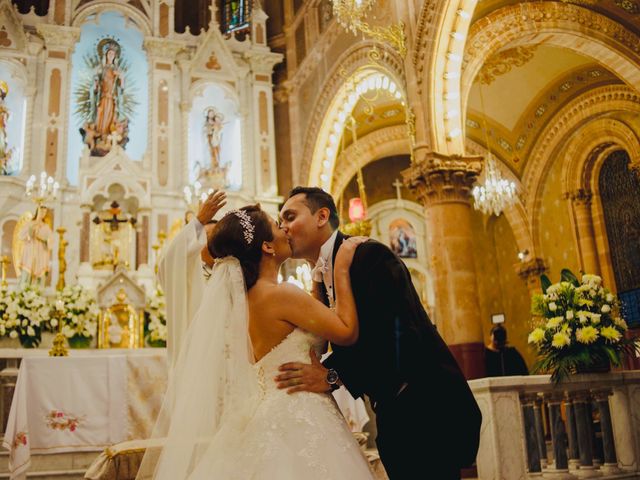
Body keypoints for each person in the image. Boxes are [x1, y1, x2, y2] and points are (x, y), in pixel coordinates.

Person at [138, 204, 374, 479]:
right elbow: (346, 331)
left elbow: (310, 318)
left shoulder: (244, 302)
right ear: (267, 247)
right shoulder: (282, 294)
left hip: (264, 411)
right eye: (277, 225)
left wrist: (315, 272)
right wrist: (342, 269)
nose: (285, 230)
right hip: (299, 412)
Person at [277, 187, 482, 480]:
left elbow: (399, 335)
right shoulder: (324, 275)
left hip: (425, 411)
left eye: (290, 216)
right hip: (395, 414)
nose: (283, 226)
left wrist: (331, 376)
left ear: (322, 216)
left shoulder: (367, 255)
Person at [157, 190, 225, 367]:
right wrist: (199, 221)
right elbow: (168, 262)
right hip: (196, 359)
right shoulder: (187, 272)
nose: (212, 242)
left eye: (217, 236)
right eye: (207, 236)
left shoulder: (232, 271)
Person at [17, 205, 53, 287]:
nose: (43, 214)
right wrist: (30, 231)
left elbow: (50, 242)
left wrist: (42, 238)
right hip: (30, 251)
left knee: (40, 276)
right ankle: (23, 294)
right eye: (41, 211)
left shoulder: (46, 227)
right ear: (37, 211)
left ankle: (37, 295)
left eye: (45, 212)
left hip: (41, 253)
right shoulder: (30, 223)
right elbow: (21, 235)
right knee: (27, 273)